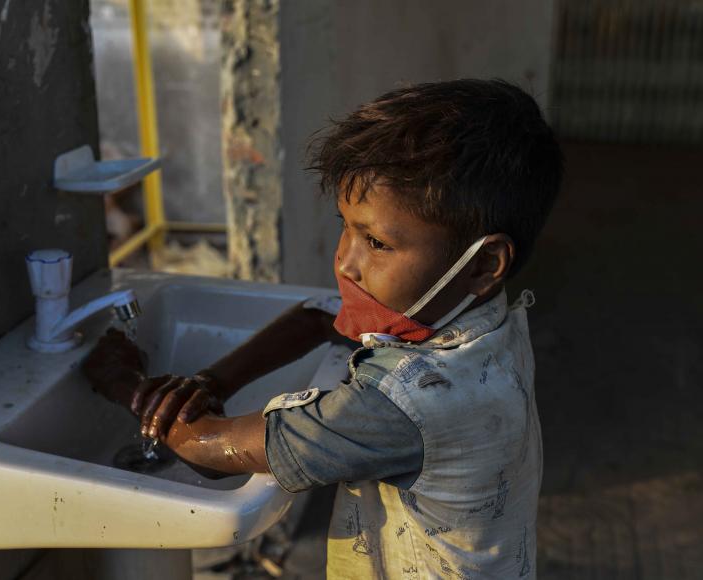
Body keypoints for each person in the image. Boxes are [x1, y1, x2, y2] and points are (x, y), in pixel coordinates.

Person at [84, 79, 563, 579]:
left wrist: (122, 381)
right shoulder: (484, 326)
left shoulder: (399, 405)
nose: (345, 262)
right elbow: (319, 320)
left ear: (485, 263)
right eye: (345, 225)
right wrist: (212, 381)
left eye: (376, 243)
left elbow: (207, 451)